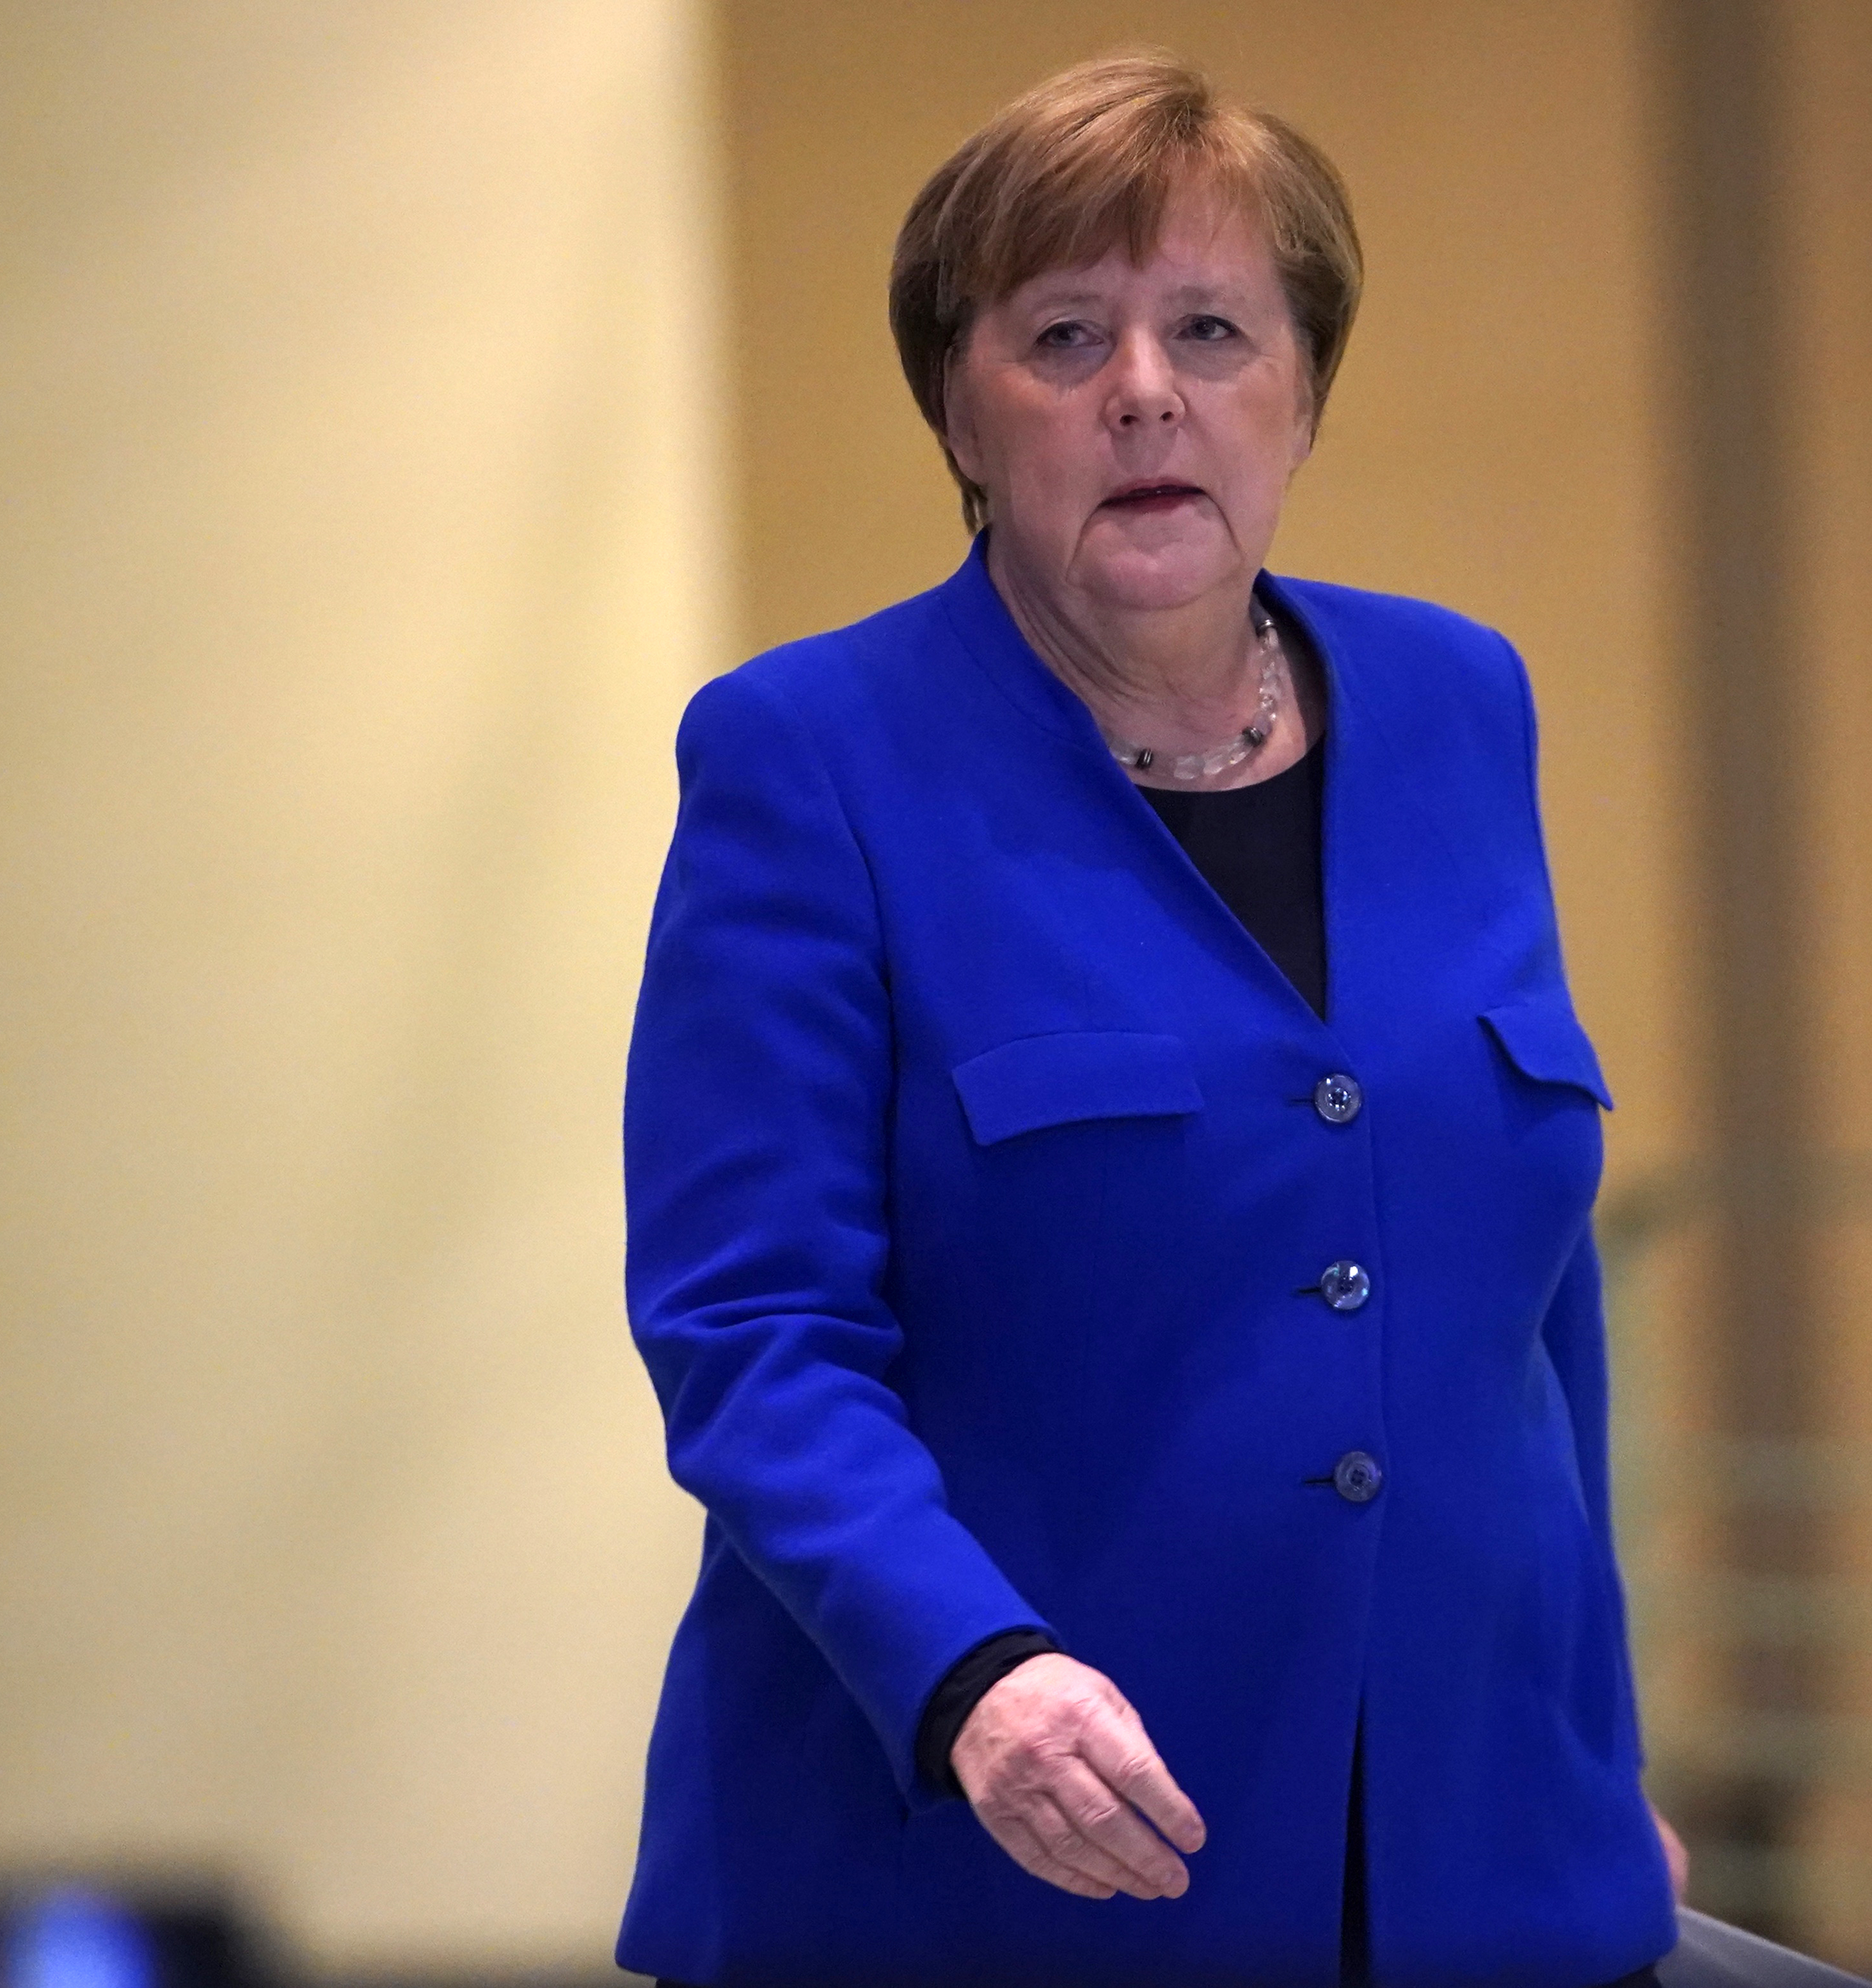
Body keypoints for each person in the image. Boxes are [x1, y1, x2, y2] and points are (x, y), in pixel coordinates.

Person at [615, 51, 1688, 1988]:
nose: (1142, 389)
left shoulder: (1461, 699)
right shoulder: (808, 758)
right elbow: (753, 1333)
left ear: (1302, 388)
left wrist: (1582, 1746)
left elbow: (1537, 1300)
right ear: (959, 407)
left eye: (1210, 327)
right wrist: (974, 1674)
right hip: (988, 1866)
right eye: (1060, 336)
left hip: (1476, 1859)